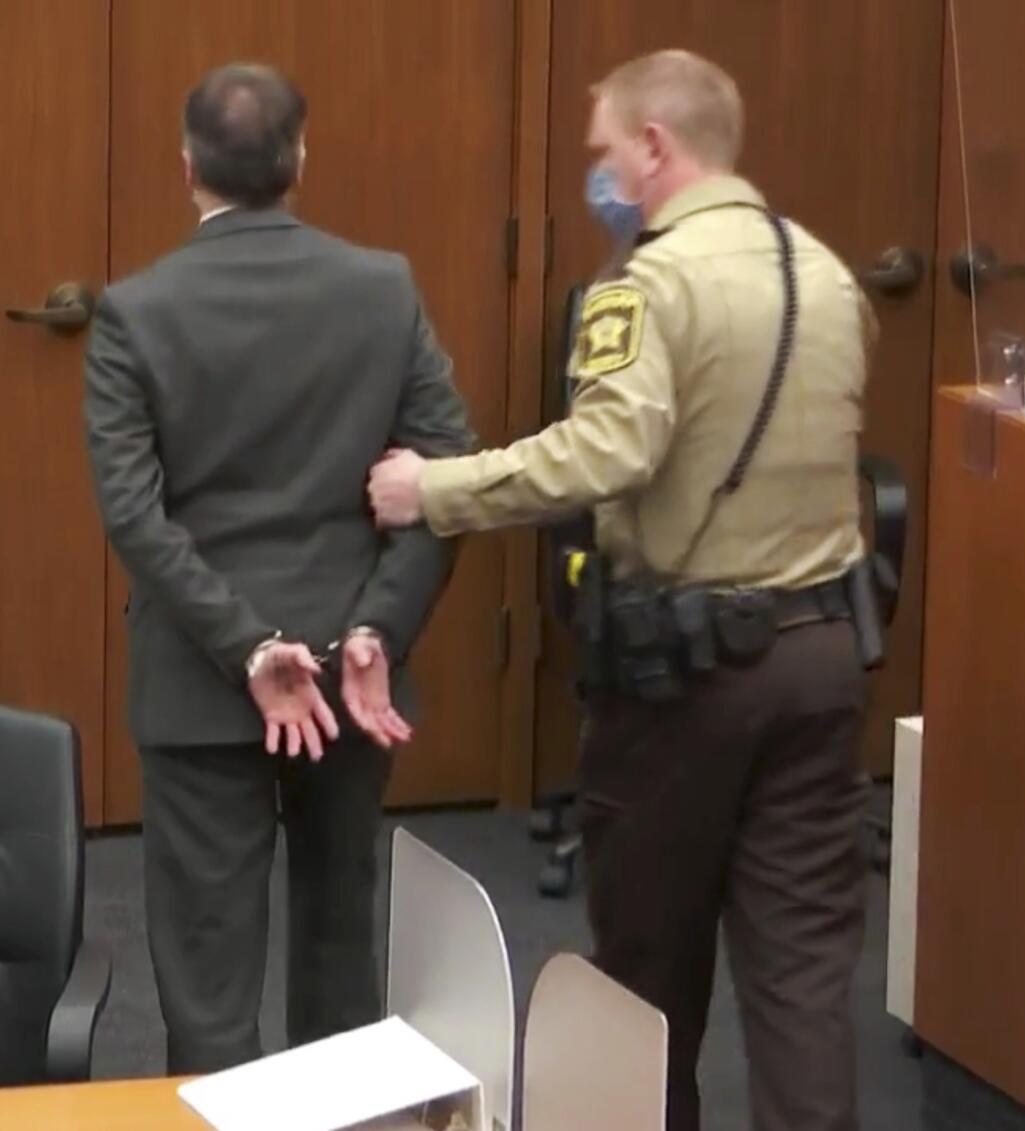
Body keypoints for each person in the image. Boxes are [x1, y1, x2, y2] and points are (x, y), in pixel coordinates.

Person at [368, 50, 874, 1131]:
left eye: (601, 151)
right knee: (799, 976)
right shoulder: (822, 273)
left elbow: (605, 454)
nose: (594, 175)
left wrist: (435, 488)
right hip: (822, 656)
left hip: (685, 679)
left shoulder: (647, 284)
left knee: (647, 971)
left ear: (654, 147)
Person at [85, 62, 476, 1074]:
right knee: (339, 947)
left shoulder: (135, 311)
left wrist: (246, 644)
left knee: (207, 980)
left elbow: (133, 512)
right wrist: (373, 631)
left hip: (199, 686)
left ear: (185, 169)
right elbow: (443, 483)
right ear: (301, 160)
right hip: (352, 686)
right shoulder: (381, 288)